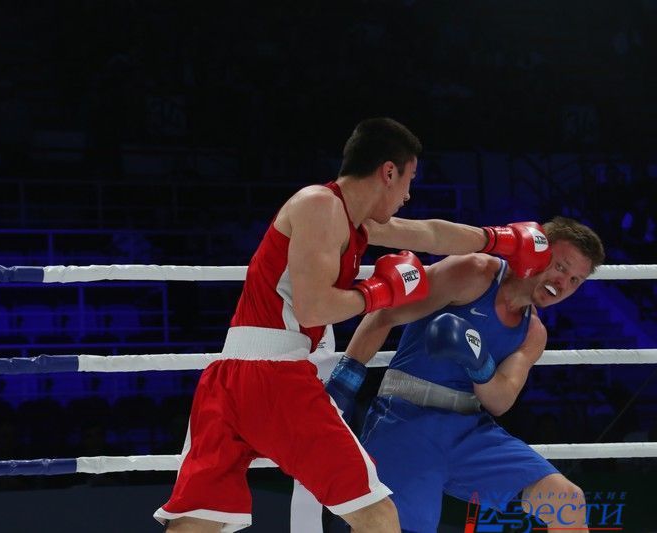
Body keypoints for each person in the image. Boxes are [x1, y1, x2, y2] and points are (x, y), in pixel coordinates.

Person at [153, 117, 552, 533]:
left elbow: (431, 235)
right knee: (377, 515)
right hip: (275, 378)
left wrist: (497, 239)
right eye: (408, 181)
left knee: (198, 522)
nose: (408, 195)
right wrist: (381, 291)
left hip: (228, 380)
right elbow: (313, 309)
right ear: (389, 172)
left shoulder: (349, 219)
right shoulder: (319, 205)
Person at [292, 216, 604, 533]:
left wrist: (479, 363)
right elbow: (386, 315)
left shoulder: (533, 333)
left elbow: (501, 400)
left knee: (567, 501)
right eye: (560, 267)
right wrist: (344, 385)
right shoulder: (474, 273)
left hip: (470, 431)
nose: (563, 284)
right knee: (387, 525)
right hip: (406, 420)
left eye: (575, 280)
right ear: (537, 251)